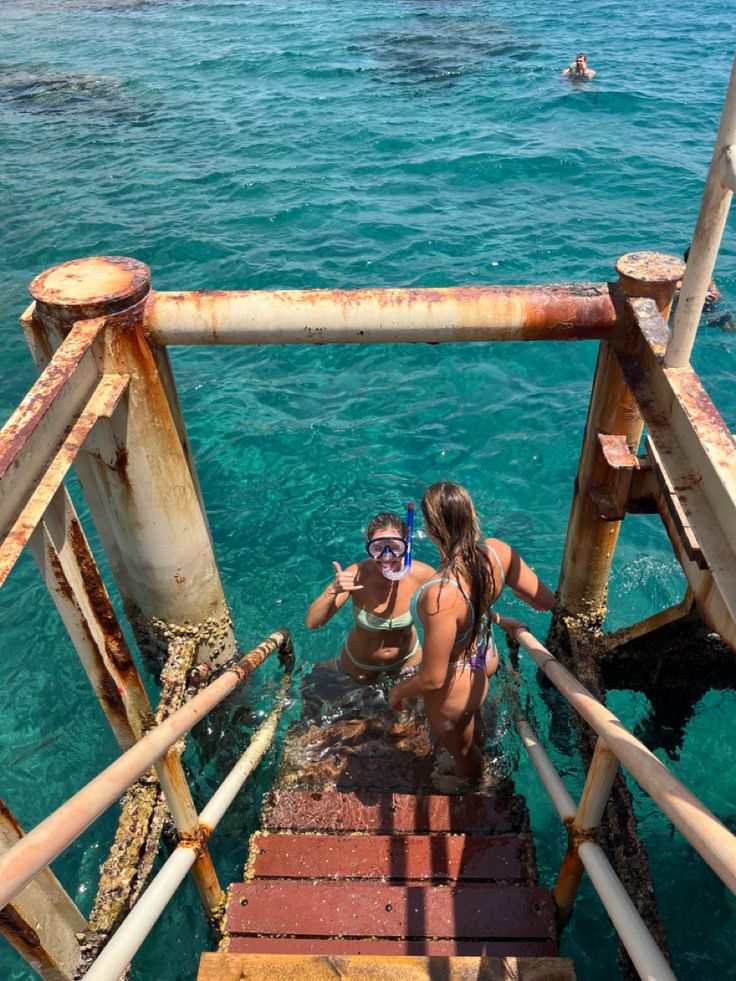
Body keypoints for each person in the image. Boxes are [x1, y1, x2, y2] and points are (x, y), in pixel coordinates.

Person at [387, 482, 555, 781]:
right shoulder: (498, 553)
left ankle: (476, 788)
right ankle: (483, 761)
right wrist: (496, 614)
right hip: (484, 657)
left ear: (429, 527)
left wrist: (398, 691)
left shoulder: (439, 594)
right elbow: (544, 602)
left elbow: (433, 677)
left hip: (455, 682)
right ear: (471, 514)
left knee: (464, 755)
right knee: (474, 732)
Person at [306, 511, 435, 683]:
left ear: (407, 546)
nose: (387, 556)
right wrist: (333, 590)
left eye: (395, 547)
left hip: (408, 664)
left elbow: (447, 618)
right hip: (360, 667)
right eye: (378, 548)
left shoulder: (423, 576)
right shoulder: (356, 575)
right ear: (368, 547)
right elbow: (313, 623)